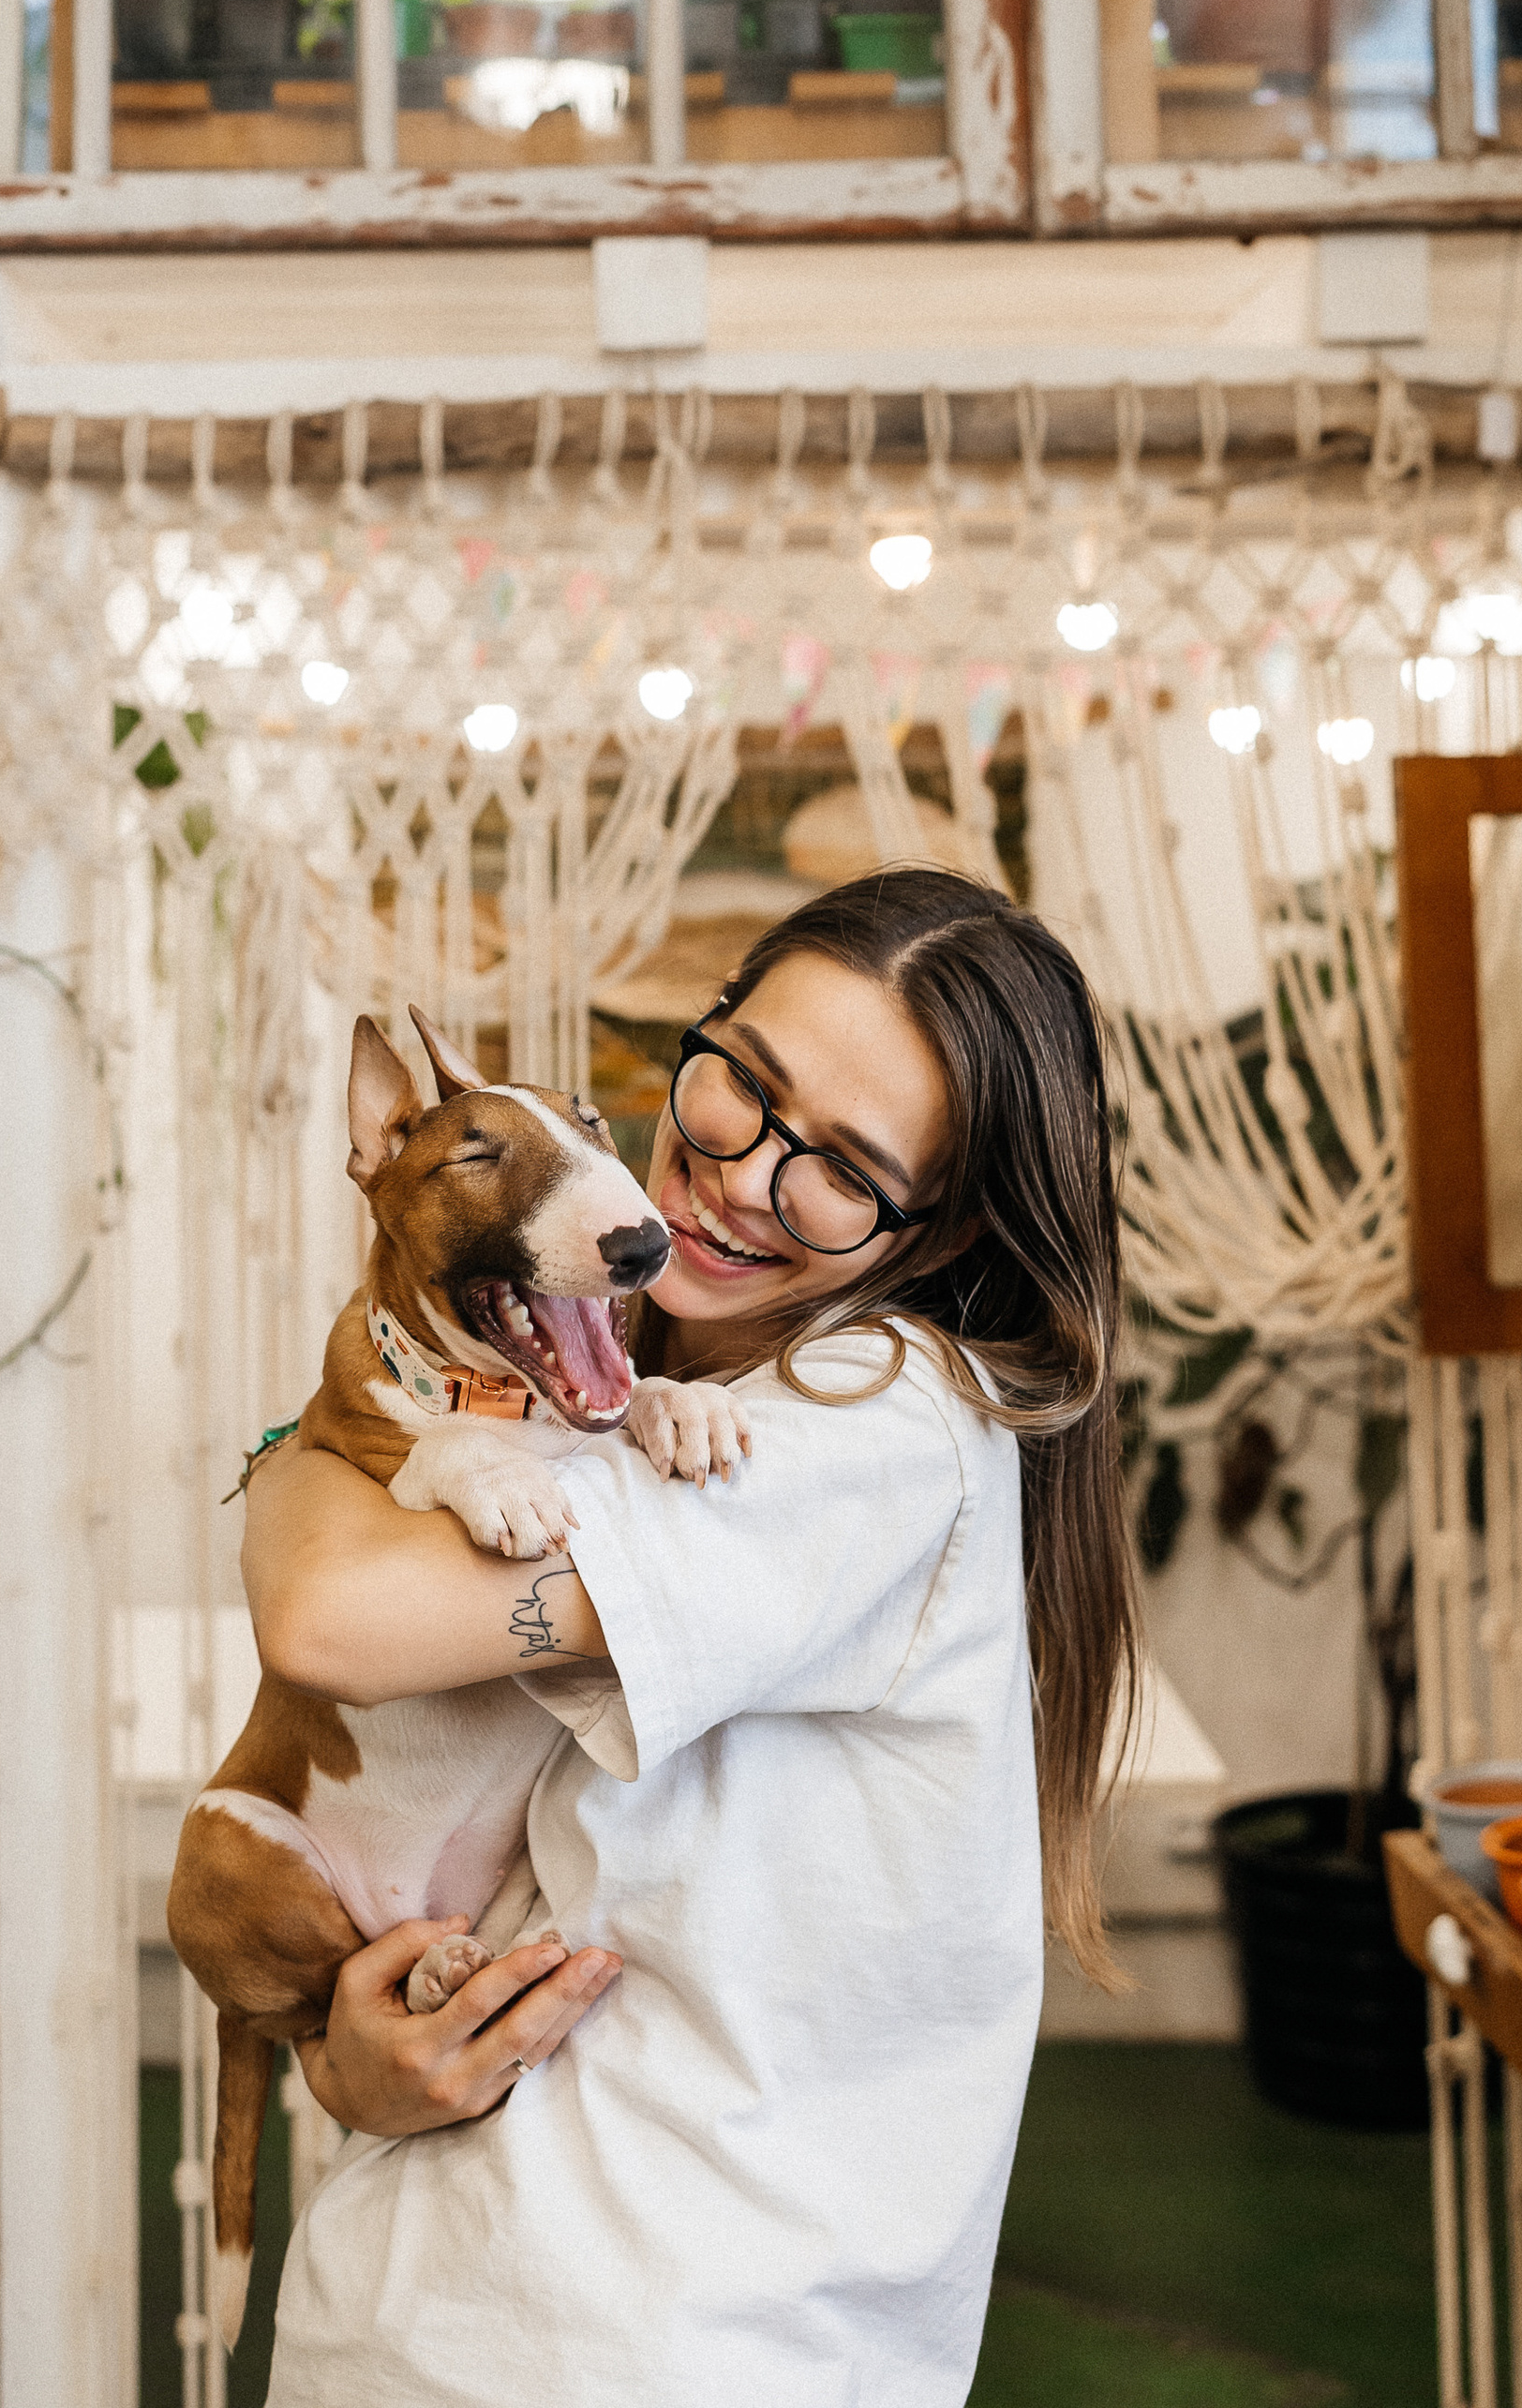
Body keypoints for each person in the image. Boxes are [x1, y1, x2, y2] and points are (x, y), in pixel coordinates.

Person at [237, 866, 1140, 2405]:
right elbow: (310, 1468)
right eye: (741, 1090)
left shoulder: (876, 1421)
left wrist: (305, 1473)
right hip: (444, 2295)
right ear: (695, 1035)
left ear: (947, 1223)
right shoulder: (606, 1365)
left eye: (842, 1169)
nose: (734, 1180)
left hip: (662, 2336)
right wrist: (345, 2064)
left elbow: (323, 1602)